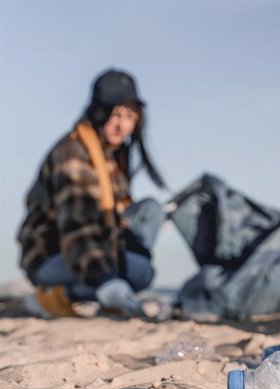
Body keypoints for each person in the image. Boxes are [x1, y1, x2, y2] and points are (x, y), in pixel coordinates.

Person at [17, 69, 167, 317]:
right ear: (99, 111)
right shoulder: (73, 153)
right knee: (141, 273)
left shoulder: (111, 156)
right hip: (54, 254)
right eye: (115, 114)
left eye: (130, 115)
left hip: (95, 246)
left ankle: (108, 286)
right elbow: (78, 228)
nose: (122, 125)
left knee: (151, 209)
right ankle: (56, 294)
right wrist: (106, 280)